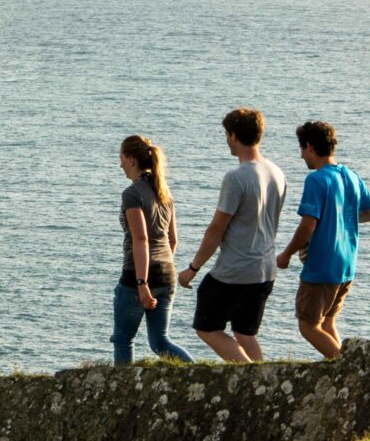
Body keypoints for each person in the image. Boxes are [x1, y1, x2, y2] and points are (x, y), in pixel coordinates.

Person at [180, 106, 287, 362]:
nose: (226, 140)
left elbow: (217, 229)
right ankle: (262, 383)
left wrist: (193, 268)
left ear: (234, 136)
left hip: (235, 270)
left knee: (206, 327)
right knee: (245, 332)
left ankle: (246, 374)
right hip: (265, 268)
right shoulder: (276, 172)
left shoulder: (236, 178)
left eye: (227, 135)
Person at [278, 119, 370, 358]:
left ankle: (350, 371)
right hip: (346, 265)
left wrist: (286, 254)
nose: (301, 156)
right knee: (327, 323)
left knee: (308, 325)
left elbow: (308, 225)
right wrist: (340, 220)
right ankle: (346, 366)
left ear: (311, 147)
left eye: (302, 149)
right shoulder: (351, 176)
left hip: (322, 266)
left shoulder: (316, 179)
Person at [113, 134, 193, 363]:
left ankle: (121, 394)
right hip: (166, 272)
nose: (119, 164)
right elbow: (172, 240)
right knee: (160, 341)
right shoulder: (164, 192)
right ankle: (197, 373)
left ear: (130, 160)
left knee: (123, 339)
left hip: (137, 275)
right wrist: (160, 269)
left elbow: (140, 239)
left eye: (121, 158)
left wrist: (142, 283)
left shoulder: (132, 194)